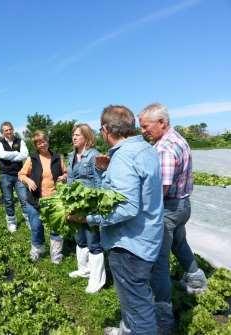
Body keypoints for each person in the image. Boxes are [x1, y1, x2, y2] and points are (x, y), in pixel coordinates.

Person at [80, 105, 164, 335]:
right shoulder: (145, 149)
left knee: (139, 308)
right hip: (147, 238)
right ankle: (127, 330)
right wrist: (106, 171)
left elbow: (126, 207)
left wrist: (89, 218)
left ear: (106, 129)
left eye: (101, 130)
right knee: (136, 299)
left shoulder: (125, 156)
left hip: (129, 245)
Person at [139, 103, 208, 333]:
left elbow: (161, 190)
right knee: (179, 243)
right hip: (182, 205)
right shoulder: (177, 138)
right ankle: (196, 279)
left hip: (168, 209)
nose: (143, 131)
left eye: (146, 126)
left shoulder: (165, 149)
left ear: (162, 123)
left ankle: (162, 320)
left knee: (159, 264)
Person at [66, 123, 105, 294]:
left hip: (89, 207)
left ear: (87, 138)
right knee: (80, 239)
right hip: (75, 205)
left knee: (93, 242)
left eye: (78, 135)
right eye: (73, 135)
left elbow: (99, 182)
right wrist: (67, 202)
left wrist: (98, 205)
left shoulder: (93, 155)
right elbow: (70, 180)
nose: (74, 137)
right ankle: (84, 269)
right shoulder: (71, 156)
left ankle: (97, 280)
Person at [18, 130, 67, 263]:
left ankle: (56, 254)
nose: (42, 144)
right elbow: (21, 174)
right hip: (35, 199)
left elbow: (66, 172)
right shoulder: (32, 159)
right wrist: (28, 181)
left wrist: (64, 177)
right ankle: (38, 250)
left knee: (56, 227)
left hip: (54, 199)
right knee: (36, 226)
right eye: (38, 143)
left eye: (43, 141)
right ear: (35, 145)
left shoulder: (57, 158)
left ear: (48, 141)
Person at [0, 121, 30, 232]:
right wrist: (16, 153)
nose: (9, 131)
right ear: (2, 132)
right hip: (5, 174)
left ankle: (28, 220)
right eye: (6, 130)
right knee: (8, 199)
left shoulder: (20, 141)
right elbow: (2, 155)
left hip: (19, 174)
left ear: (13, 130)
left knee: (24, 199)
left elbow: (24, 155)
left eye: (10, 129)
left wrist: (10, 156)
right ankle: (11, 222)